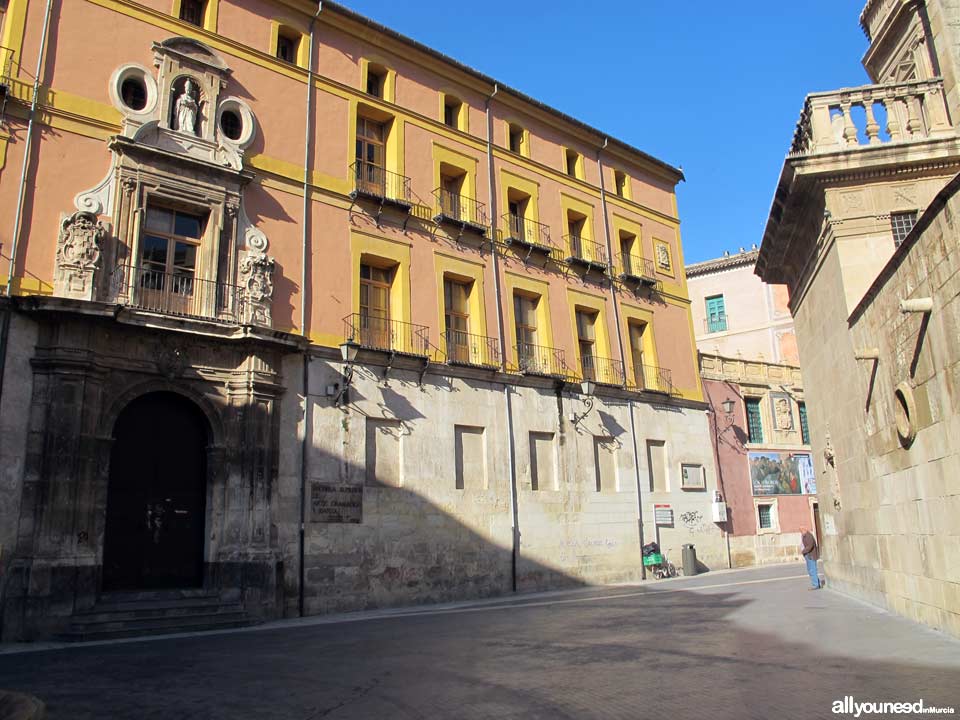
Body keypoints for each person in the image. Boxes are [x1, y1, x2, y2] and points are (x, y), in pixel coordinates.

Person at [800, 525, 821, 589]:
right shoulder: (804, 536)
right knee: (810, 570)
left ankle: (815, 585)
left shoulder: (808, 536)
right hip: (808, 555)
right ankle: (817, 583)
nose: (801, 532)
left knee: (812, 570)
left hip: (811, 555)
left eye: (801, 531)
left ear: (804, 530)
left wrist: (803, 551)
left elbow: (810, 546)